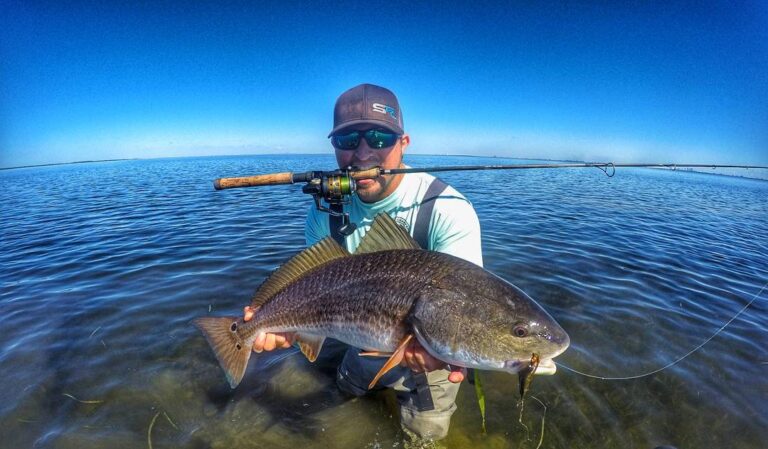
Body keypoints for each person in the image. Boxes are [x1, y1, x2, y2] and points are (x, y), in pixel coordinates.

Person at [244, 83, 483, 441]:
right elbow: (315, 285)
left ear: (404, 143)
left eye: (379, 137)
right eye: (348, 141)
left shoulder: (448, 210)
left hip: (427, 353)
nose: (362, 153)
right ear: (334, 147)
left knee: (423, 436)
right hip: (362, 338)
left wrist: (451, 352)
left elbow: (469, 307)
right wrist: (279, 322)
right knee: (344, 395)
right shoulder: (325, 212)